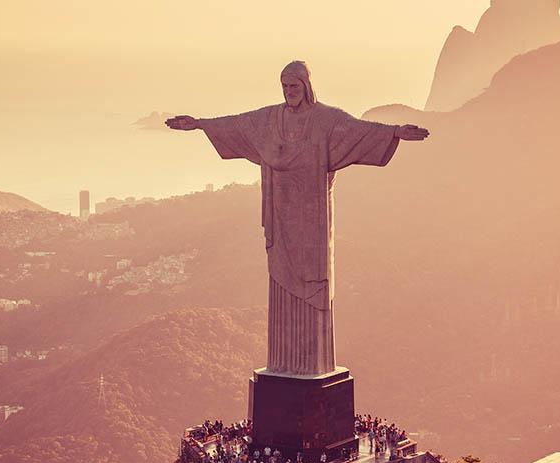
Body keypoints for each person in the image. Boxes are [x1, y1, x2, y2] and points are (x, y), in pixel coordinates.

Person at [167, 61, 428, 376]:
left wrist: (396, 133)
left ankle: (311, 365)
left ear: (306, 86)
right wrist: (198, 124)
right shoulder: (270, 119)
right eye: (285, 87)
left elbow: (359, 130)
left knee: (313, 285)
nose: (289, 92)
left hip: (312, 224)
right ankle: (284, 365)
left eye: (294, 86)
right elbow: (237, 124)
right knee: (280, 281)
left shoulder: (325, 121)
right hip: (281, 216)